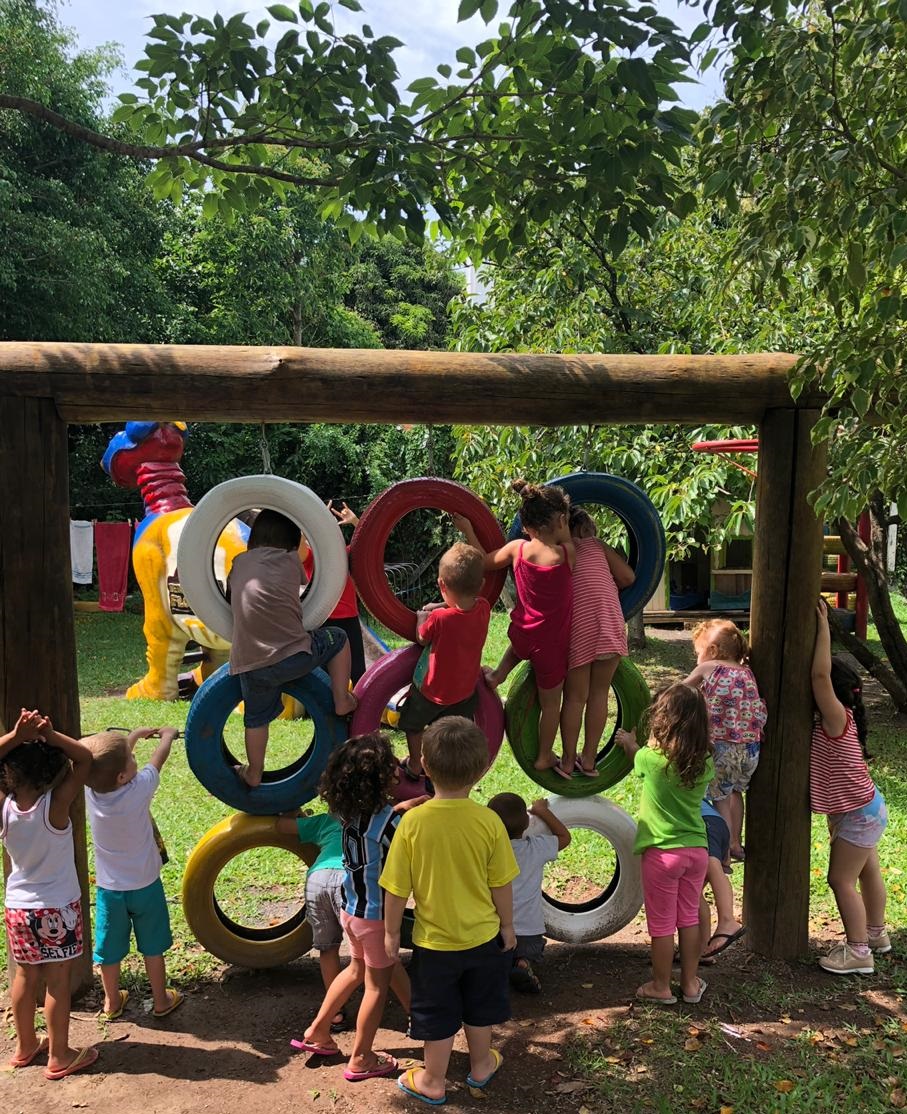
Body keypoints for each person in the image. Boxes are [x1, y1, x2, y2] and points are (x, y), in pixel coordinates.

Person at [381, 717, 519, 1105]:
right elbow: (501, 883)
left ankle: (433, 1081)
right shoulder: (489, 822)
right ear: (481, 768)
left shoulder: (412, 823)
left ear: (423, 763)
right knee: (479, 1008)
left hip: (434, 944)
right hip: (483, 940)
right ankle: (481, 1066)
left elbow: (395, 888)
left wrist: (391, 934)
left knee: (438, 1014)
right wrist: (508, 926)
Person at [292, 733, 413, 1081]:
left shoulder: (346, 813)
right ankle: (361, 1058)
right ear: (382, 777)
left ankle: (317, 1031)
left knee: (356, 970)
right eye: (392, 763)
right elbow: (401, 844)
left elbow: (381, 825)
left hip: (351, 910)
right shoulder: (391, 822)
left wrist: (401, 809)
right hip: (376, 917)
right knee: (376, 986)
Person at [0, 709, 99, 1080]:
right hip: (58, 908)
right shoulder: (55, 807)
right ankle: (59, 1055)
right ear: (48, 774)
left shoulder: (6, 811)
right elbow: (85, 758)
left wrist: (15, 735)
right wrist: (51, 734)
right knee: (57, 981)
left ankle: (25, 1047)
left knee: (24, 977)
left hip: (19, 909)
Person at [228, 508, 357, 788]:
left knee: (255, 719)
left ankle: (254, 772)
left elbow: (229, 596)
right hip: (293, 654)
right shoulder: (289, 560)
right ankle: (341, 698)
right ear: (292, 541)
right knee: (338, 638)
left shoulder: (239, 562)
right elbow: (303, 585)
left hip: (251, 664)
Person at [454, 479, 574, 777]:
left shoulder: (517, 549)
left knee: (515, 651)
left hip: (521, 633)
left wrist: (468, 530)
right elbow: (568, 536)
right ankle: (544, 756)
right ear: (560, 521)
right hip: (550, 645)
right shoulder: (566, 554)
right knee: (551, 705)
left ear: (525, 525)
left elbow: (482, 562)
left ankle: (496, 676)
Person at [616, 684, 714, 1006]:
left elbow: (636, 757)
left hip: (662, 855)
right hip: (697, 852)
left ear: (663, 722)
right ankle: (689, 984)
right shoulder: (706, 764)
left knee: (661, 924)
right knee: (687, 919)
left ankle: (661, 985)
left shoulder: (651, 759)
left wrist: (630, 743)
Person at [811, 599, 889, 974]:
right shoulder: (845, 722)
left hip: (858, 813)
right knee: (867, 870)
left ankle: (859, 951)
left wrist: (823, 629)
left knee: (839, 879)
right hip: (866, 808)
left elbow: (820, 677)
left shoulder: (835, 717)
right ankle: (876, 933)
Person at [84, 726, 184, 1020]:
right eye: (130, 757)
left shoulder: (91, 792)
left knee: (110, 950)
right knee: (152, 947)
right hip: (145, 886)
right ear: (122, 776)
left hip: (109, 891)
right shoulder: (140, 788)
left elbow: (108, 764)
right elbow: (158, 759)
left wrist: (134, 737)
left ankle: (111, 1002)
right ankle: (161, 1000)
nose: (134, 757)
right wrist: (167, 736)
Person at [398, 541, 490, 781]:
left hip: (432, 691)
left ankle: (417, 763)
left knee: (412, 724)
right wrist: (440, 605)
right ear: (480, 585)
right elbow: (464, 607)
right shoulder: (484, 609)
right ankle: (450, 770)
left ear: (441, 584)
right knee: (453, 733)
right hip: (464, 693)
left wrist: (421, 616)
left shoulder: (439, 619)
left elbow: (421, 637)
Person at [560, 505, 635, 778]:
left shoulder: (559, 552)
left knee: (575, 697)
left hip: (579, 628)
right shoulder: (595, 545)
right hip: (610, 625)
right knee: (599, 694)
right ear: (582, 528)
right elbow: (628, 577)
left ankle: (568, 761)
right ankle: (589, 759)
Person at [683, 619, 766, 861]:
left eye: (698, 651)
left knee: (719, 797)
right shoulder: (747, 672)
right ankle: (735, 843)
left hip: (722, 747)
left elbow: (681, 691)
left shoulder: (709, 668)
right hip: (750, 749)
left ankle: (724, 854)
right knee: (735, 792)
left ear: (712, 650)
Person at [486, 793, 571, 993]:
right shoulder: (536, 847)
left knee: (491, 953)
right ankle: (522, 963)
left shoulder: (485, 852)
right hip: (529, 934)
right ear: (526, 824)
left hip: (492, 931)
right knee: (527, 950)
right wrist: (542, 811)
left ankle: (495, 970)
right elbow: (565, 837)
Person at [275, 807, 348, 1030]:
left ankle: (335, 1012)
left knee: (327, 949)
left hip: (318, 879)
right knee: (369, 951)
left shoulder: (323, 822)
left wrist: (295, 808)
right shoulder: (374, 818)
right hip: (349, 877)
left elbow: (281, 825)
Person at [302, 500, 366, 683]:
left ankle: (359, 708)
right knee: (324, 673)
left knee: (358, 671)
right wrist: (313, 519)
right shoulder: (311, 557)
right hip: (322, 619)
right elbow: (299, 547)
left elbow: (369, 543)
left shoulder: (346, 553)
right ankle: (322, 708)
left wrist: (356, 522)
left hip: (349, 618)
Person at [698, 799, 746, 962]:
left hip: (703, 822)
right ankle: (701, 948)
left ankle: (727, 920)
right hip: (716, 822)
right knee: (692, 893)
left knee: (712, 865)